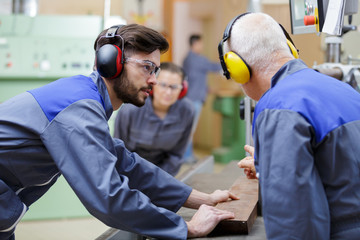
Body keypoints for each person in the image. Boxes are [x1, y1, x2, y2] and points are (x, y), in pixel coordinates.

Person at [0, 24, 239, 240]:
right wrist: (187, 227)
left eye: (155, 70)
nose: (154, 80)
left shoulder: (86, 101)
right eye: (147, 67)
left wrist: (202, 199)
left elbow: (128, 165)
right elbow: (108, 197)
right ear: (110, 63)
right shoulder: (79, 106)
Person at [218, 12, 360, 239]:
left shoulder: (278, 107)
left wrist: (279, 169)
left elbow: (295, 220)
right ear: (290, 49)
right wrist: (271, 164)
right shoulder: (346, 91)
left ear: (237, 67)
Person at [113, 62, 194, 176]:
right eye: (163, 85)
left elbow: (176, 155)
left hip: (163, 175)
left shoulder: (187, 111)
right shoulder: (130, 109)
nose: (168, 92)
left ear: (183, 89)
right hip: (129, 172)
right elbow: (119, 151)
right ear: (153, 84)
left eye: (174, 87)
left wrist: (159, 180)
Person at [182, 34, 222, 162]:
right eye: (201, 43)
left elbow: (194, 78)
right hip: (194, 99)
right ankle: (187, 156)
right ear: (195, 44)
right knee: (190, 129)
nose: (202, 46)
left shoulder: (187, 59)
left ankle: (188, 155)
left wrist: (207, 89)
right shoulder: (197, 59)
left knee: (188, 128)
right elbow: (214, 67)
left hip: (189, 97)